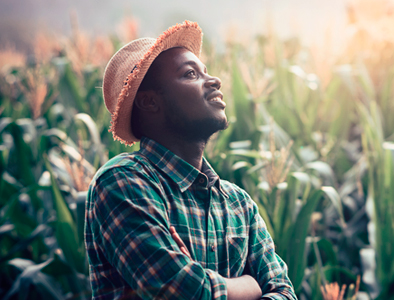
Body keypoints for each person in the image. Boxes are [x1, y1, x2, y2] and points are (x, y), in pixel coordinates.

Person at [84, 20, 296, 300]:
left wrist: (203, 281)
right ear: (150, 102)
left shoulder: (239, 204)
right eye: (190, 74)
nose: (214, 81)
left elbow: (284, 293)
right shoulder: (122, 182)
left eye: (205, 71)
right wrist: (249, 287)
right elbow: (180, 292)